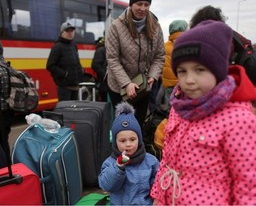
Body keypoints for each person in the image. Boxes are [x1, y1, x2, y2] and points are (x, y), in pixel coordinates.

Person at [150, 20, 256, 205]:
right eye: (182, 71)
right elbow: (167, 159)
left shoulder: (238, 119)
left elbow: (248, 184)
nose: (189, 80)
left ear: (219, 70)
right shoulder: (178, 108)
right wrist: (158, 197)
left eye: (199, 70)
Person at [106, 0, 165, 129]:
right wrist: (126, 83)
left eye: (147, 4)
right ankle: (119, 151)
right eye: (139, 4)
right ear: (131, 4)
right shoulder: (116, 26)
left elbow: (159, 56)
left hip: (142, 86)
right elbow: (112, 59)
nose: (143, 8)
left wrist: (153, 75)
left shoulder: (155, 27)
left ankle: (138, 150)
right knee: (122, 127)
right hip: (118, 87)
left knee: (138, 125)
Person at [98, 101, 159, 205]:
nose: (128, 144)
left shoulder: (150, 161)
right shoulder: (110, 163)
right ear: (115, 142)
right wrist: (118, 167)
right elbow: (106, 185)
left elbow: (158, 185)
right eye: (122, 141)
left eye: (132, 139)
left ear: (139, 139)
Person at [46, 22, 83, 101]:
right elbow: (50, 65)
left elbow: (76, 63)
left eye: (72, 31)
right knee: (65, 110)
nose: (70, 33)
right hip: (64, 87)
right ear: (62, 33)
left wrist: (81, 72)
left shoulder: (74, 46)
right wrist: (64, 74)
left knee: (73, 110)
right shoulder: (57, 47)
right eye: (67, 31)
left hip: (75, 86)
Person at [159, 19, 188, 115]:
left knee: (169, 105)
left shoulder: (164, 45)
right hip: (181, 83)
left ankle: (169, 120)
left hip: (167, 83)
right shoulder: (186, 44)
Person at [91, 37, 108, 102]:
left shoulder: (106, 49)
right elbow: (95, 65)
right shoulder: (101, 50)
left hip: (108, 85)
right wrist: (106, 76)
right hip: (104, 85)